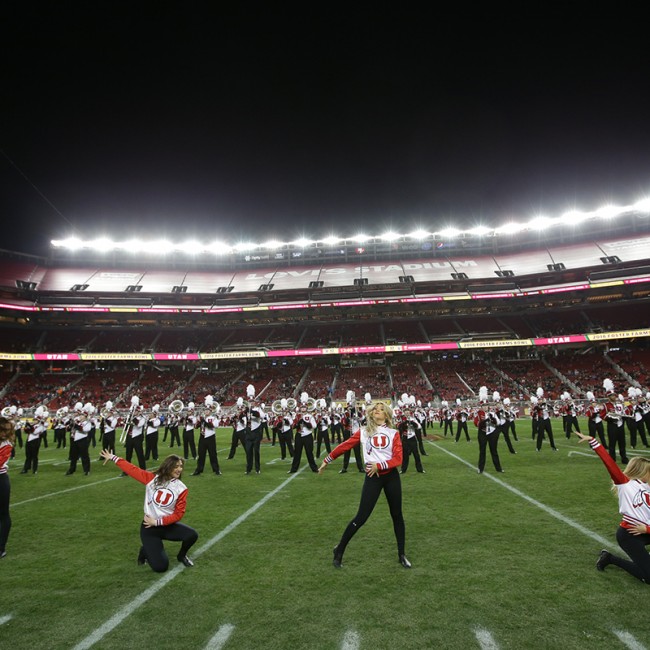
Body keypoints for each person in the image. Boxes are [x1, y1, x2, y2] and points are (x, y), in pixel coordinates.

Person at [318, 401, 411, 569]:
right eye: (375, 408)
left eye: (381, 409)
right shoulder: (364, 432)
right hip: (372, 477)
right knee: (361, 517)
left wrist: (380, 465)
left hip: (390, 477)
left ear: (387, 415)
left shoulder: (394, 433)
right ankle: (339, 550)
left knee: (397, 515)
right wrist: (327, 459)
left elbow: (398, 459)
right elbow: (345, 446)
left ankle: (401, 554)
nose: (377, 410)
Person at [100, 449, 198, 572]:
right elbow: (132, 469)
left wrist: (158, 522)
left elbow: (179, 514)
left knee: (192, 535)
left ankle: (181, 555)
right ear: (168, 467)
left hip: (166, 525)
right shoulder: (152, 479)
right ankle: (145, 550)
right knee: (161, 567)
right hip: (149, 528)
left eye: (181, 466)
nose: (179, 469)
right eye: (176, 466)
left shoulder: (181, 488)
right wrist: (113, 457)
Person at [575, 431, 650, 584]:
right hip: (630, 535)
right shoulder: (625, 484)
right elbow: (610, 463)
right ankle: (610, 558)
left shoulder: (648, 486)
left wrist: (647, 530)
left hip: (646, 530)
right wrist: (594, 442)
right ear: (641, 472)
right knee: (648, 577)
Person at [0, 416, 15, 558]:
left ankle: (1, 547)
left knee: (3, 514)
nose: (4, 434)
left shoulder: (6, 444)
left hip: (1, 480)